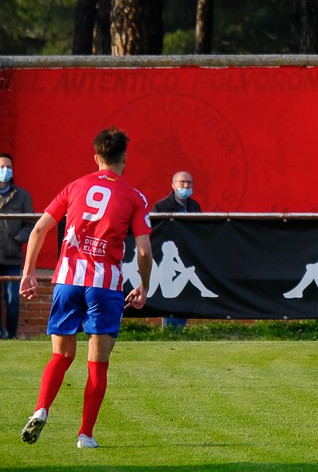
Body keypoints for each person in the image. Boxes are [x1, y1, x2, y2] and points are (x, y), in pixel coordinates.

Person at [19, 127, 153, 449]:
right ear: (124, 158)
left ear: (96, 158)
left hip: (67, 280)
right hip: (104, 285)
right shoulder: (135, 197)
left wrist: (29, 273)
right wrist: (144, 285)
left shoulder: (75, 187)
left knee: (61, 355)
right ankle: (85, 435)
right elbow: (145, 251)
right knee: (97, 362)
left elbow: (39, 229)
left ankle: (41, 408)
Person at [153, 171, 200, 328]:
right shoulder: (161, 207)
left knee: (185, 293)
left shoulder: (194, 206)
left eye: (189, 183)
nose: (186, 186)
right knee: (170, 294)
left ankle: (180, 329)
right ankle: (170, 329)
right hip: (167, 259)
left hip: (188, 255)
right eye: (182, 182)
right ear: (173, 185)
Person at [1, 153, 35, 339]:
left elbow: (31, 224)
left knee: (13, 299)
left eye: (8, 167)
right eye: (1, 167)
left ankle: (12, 335)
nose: (5, 171)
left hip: (12, 255)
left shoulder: (22, 196)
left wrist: (16, 239)